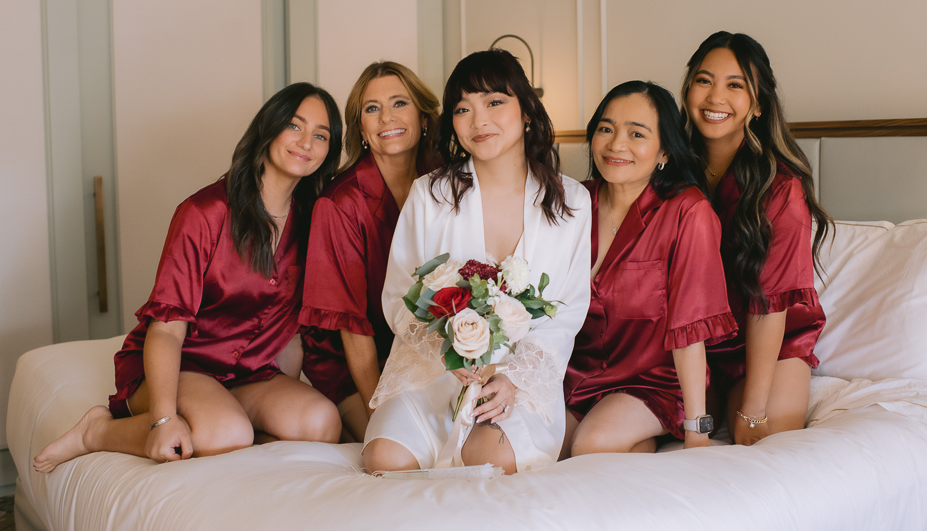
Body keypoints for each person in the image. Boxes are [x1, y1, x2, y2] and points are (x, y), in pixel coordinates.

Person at [34, 83, 344, 472]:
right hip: (183, 365)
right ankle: (96, 431)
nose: (306, 142)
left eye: (321, 135)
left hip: (248, 373)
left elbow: (289, 332)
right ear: (269, 129)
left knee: (322, 422)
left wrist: (282, 400)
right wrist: (164, 419)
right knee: (225, 434)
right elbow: (166, 330)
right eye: (295, 127)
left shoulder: (312, 222)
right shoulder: (205, 212)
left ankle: (231, 420)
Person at [362, 49, 591, 475]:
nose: (478, 120)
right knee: (383, 459)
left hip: (518, 378)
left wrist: (514, 379)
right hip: (434, 371)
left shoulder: (573, 201)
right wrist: (451, 356)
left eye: (494, 102)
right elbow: (398, 297)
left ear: (526, 111)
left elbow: (567, 312)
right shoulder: (429, 194)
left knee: (490, 460)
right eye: (463, 109)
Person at [563, 81, 737, 455]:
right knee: (535, 451)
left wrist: (697, 431)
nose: (616, 144)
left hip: (659, 381)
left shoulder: (687, 212)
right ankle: (640, 446)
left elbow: (690, 327)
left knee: (592, 445)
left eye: (636, 133)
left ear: (664, 152)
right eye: (606, 129)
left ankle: (644, 437)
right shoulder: (572, 202)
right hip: (577, 379)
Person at [681, 31, 831, 446]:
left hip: (771, 344)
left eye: (735, 86)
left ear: (759, 103)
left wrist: (754, 408)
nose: (715, 98)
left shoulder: (781, 189)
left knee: (759, 443)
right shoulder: (671, 174)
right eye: (704, 80)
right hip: (698, 347)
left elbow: (771, 303)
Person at [299, 61, 440, 442]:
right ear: (361, 128)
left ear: (424, 117)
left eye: (399, 103)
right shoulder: (339, 204)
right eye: (372, 109)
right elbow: (351, 326)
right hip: (354, 364)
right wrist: (380, 408)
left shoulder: (446, 182)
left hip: (422, 353)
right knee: (404, 446)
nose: (386, 118)